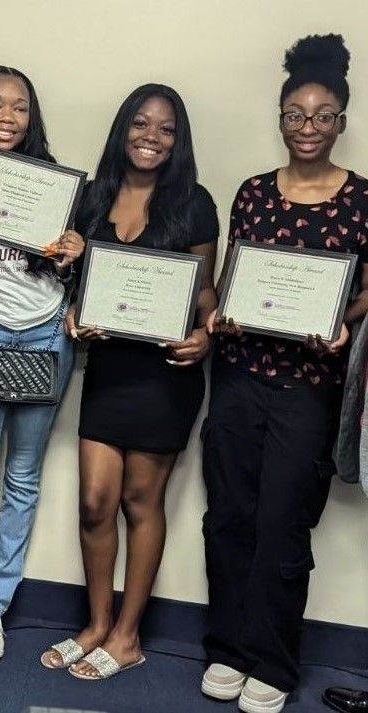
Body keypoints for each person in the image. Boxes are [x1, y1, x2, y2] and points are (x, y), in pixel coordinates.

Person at [201, 35, 368, 713]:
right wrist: (224, 315)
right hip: (239, 376)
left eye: (321, 115)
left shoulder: (361, 199)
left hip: (308, 388)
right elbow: (226, 281)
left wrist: (345, 321)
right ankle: (225, 648)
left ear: (340, 123)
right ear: (279, 117)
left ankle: (271, 659)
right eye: (294, 114)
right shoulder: (251, 193)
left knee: (281, 525)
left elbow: (365, 290)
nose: (306, 127)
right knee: (227, 519)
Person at [41, 83, 218, 678]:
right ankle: (94, 624)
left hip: (167, 375)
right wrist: (71, 309)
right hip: (109, 371)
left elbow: (205, 295)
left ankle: (127, 636)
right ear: (124, 129)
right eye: (141, 123)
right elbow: (78, 284)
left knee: (141, 502)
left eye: (166, 129)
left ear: (178, 140)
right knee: (95, 502)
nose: (152, 136)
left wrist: (208, 336)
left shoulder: (194, 204)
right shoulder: (92, 199)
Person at [0, 66, 84, 660]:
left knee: (22, 482)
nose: (7, 118)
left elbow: (66, 269)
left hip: (45, 338)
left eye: (20, 108)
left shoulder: (50, 186)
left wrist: (73, 253)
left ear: (32, 118)